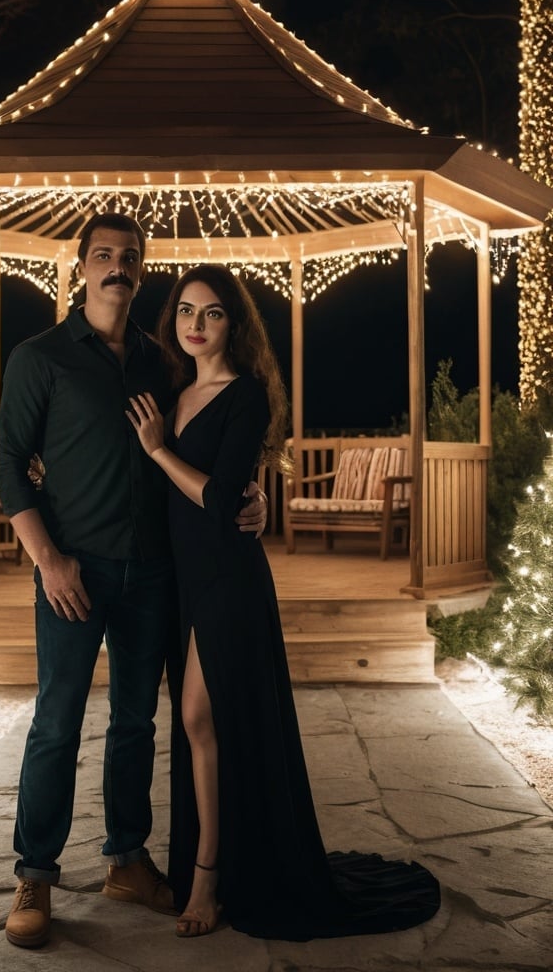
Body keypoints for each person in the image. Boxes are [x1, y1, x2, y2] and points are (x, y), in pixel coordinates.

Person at [126, 263, 441, 940]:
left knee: (198, 713)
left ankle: (209, 875)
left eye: (211, 313)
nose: (196, 325)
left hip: (227, 575)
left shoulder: (246, 397)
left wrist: (158, 452)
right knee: (201, 726)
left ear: (233, 325)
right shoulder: (169, 389)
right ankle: (212, 860)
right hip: (180, 578)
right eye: (185, 311)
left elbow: (216, 501)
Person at [0, 214, 267, 948]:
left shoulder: (161, 361)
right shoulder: (39, 357)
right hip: (72, 572)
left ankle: (126, 858)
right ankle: (35, 874)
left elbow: (208, 443)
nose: (118, 267)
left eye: (130, 258)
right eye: (104, 256)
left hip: (154, 573)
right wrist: (47, 558)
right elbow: (8, 465)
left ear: (141, 271)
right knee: (56, 723)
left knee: (136, 723)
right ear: (81, 266)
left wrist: (251, 497)